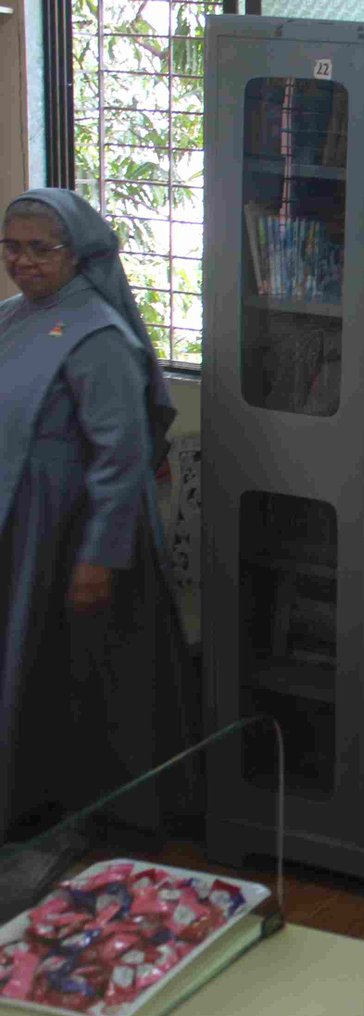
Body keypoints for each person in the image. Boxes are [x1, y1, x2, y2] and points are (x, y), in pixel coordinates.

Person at [0, 188, 187, 841]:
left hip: (73, 532)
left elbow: (122, 455)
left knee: (79, 679)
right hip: (23, 522)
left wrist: (100, 555)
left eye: (40, 249)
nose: (23, 262)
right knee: (25, 666)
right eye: (11, 248)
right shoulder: (14, 316)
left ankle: (93, 819)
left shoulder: (98, 336)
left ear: (76, 255)